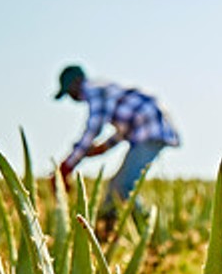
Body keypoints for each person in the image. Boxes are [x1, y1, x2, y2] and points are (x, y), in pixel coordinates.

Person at [54, 64, 180, 227]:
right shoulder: (107, 92)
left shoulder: (93, 90)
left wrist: (68, 165)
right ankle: (109, 229)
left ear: (76, 83)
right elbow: (124, 130)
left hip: (150, 130)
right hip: (145, 130)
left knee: (123, 186)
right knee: (115, 187)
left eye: (68, 92)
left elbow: (93, 128)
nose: (71, 97)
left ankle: (146, 228)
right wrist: (104, 147)